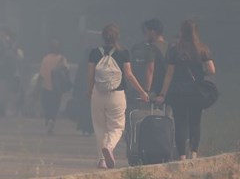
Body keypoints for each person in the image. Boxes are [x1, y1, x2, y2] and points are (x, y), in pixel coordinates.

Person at [87, 25, 149, 169]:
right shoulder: (123, 53)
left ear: (103, 37)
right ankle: (109, 147)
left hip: (98, 93)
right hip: (117, 94)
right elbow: (129, 75)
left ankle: (102, 160)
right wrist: (142, 92)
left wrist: (89, 91)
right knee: (117, 127)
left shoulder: (94, 53)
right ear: (117, 37)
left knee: (100, 127)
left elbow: (90, 75)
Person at [154, 19, 216, 160]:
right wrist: (201, 74)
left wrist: (162, 94)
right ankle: (193, 152)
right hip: (196, 91)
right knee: (195, 121)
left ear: (182, 32)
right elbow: (212, 70)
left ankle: (181, 155)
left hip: (178, 92)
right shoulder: (202, 49)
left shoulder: (175, 50)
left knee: (180, 123)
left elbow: (169, 75)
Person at [38, 39, 68, 134]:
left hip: (46, 86)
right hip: (57, 87)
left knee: (47, 105)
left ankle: (48, 119)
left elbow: (41, 74)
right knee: (55, 106)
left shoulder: (45, 59)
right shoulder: (62, 59)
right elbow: (66, 70)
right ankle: (52, 120)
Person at [0, 27, 23, 116]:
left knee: (9, 90)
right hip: (8, 71)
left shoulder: (10, 46)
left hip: (9, 71)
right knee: (8, 90)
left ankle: (8, 109)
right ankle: (7, 109)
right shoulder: (1, 44)